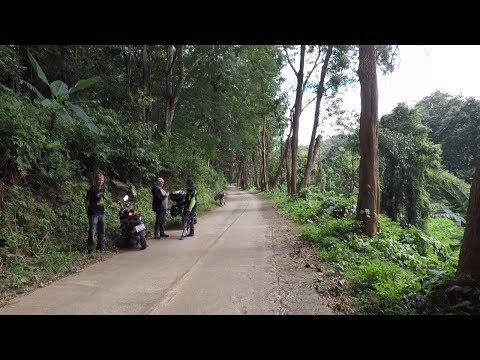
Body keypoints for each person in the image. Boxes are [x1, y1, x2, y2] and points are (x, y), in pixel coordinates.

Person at [85, 173, 106, 254]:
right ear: (96, 180)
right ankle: (90, 249)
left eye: (102, 180)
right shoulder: (91, 189)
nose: (101, 181)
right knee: (92, 231)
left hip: (101, 213)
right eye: (99, 180)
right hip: (93, 213)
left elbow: (101, 200)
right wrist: (88, 211)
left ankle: (100, 248)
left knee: (102, 231)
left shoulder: (103, 189)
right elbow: (87, 201)